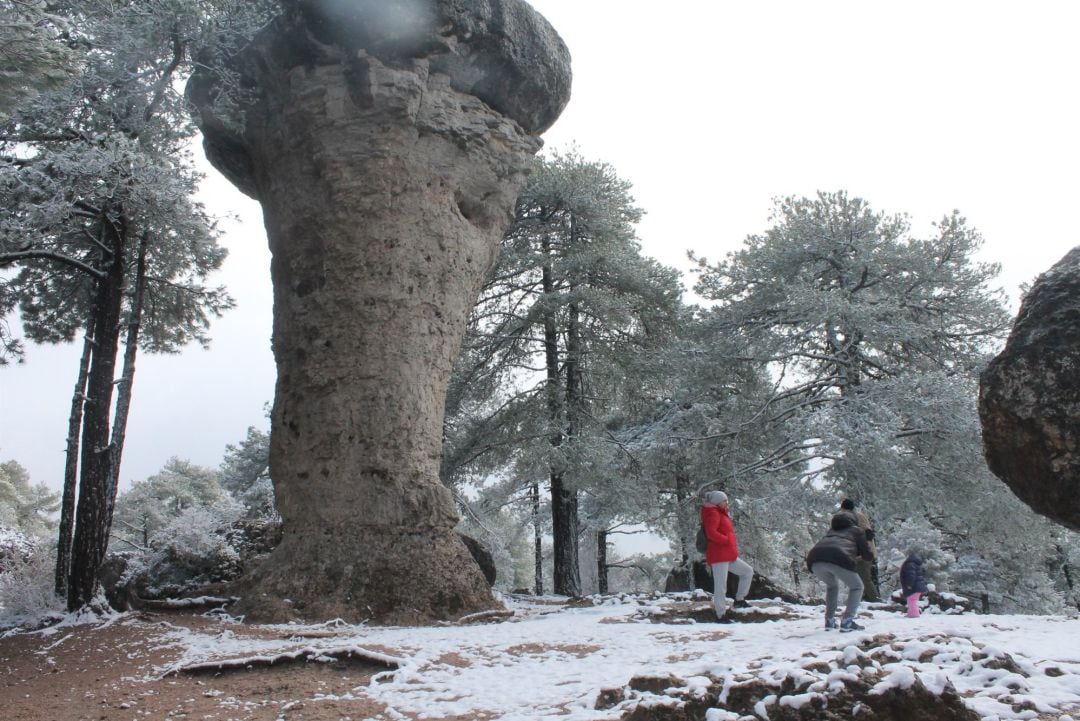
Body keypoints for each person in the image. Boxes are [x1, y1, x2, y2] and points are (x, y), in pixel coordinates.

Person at [805, 511, 874, 631]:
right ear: (853, 521)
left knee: (832, 586)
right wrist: (867, 539)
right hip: (838, 557)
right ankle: (847, 621)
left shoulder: (831, 532)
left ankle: (829, 621)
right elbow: (868, 556)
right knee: (857, 587)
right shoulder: (857, 530)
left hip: (814, 560)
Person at [701, 490, 754, 623]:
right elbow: (711, 533)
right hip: (719, 555)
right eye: (724, 500)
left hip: (727, 554)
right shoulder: (712, 513)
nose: (726, 502)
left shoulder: (720, 513)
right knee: (720, 585)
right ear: (717, 502)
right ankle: (720, 615)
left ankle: (739, 599)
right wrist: (725, 540)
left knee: (747, 571)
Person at [839, 498, 880, 602]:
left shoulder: (857, 517)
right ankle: (862, 599)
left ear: (844, 508)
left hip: (864, 554)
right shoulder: (852, 517)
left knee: (865, 578)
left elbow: (868, 533)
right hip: (858, 554)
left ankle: (875, 600)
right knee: (858, 578)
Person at [900, 552, 930, 617]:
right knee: (912, 600)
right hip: (917, 586)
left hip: (914, 586)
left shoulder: (909, 564)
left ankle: (914, 614)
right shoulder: (914, 564)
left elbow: (911, 575)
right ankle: (911, 613)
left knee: (912, 600)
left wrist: (909, 584)